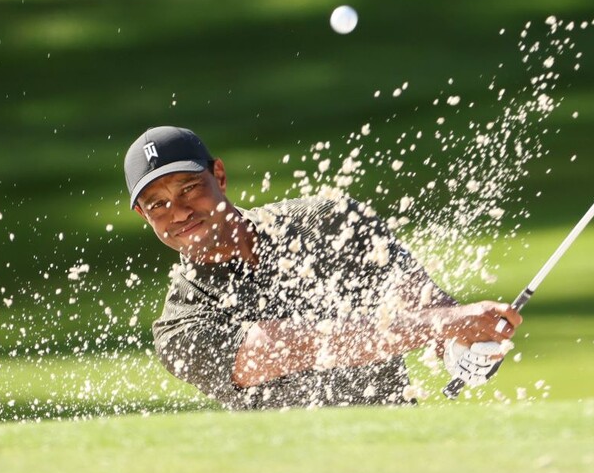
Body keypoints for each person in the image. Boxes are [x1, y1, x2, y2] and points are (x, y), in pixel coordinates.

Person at [124, 126, 520, 410]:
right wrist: (442, 325)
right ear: (144, 215)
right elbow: (291, 345)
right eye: (157, 204)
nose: (178, 212)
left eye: (189, 188)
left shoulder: (329, 220)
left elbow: (424, 303)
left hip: (401, 459)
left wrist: (466, 347)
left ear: (220, 177)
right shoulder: (180, 328)